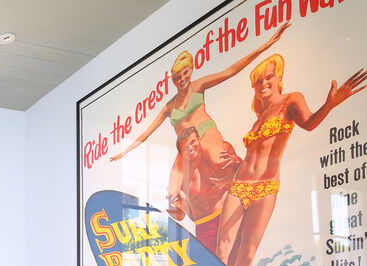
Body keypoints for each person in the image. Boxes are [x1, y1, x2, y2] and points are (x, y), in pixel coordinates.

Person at [215, 55, 367, 266]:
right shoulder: (259, 116)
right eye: (258, 81)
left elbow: (308, 123)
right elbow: (254, 154)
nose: (263, 84)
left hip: (265, 187)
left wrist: (329, 104)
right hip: (238, 186)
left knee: (247, 254)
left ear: (279, 78)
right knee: (222, 250)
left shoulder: (290, 100)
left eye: (269, 77)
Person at [110, 22, 290, 194]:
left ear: (191, 71)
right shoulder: (168, 107)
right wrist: (123, 152)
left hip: (205, 132)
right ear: (172, 80)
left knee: (218, 160)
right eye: (177, 77)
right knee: (173, 189)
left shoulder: (198, 86)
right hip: (186, 143)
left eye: (185, 74)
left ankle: (242, 172)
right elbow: (145, 134)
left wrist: (265, 46)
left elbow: (231, 70)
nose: (182, 80)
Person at [167, 127, 240, 253]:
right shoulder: (181, 177)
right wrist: (177, 206)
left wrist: (237, 161)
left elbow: (247, 175)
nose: (190, 148)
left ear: (199, 140)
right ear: (181, 153)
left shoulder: (216, 154)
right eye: (185, 148)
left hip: (227, 217)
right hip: (203, 227)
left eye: (193, 142)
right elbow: (180, 217)